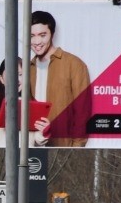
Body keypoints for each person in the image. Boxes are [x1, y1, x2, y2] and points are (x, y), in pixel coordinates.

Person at [26, 10, 92, 146]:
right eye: (32, 36)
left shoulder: (74, 65)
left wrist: (75, 149)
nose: (37, 41)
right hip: (32, 147)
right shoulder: (27, 68)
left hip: (63, 149)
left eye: (42, 35)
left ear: (52, 34)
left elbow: (82, 113)